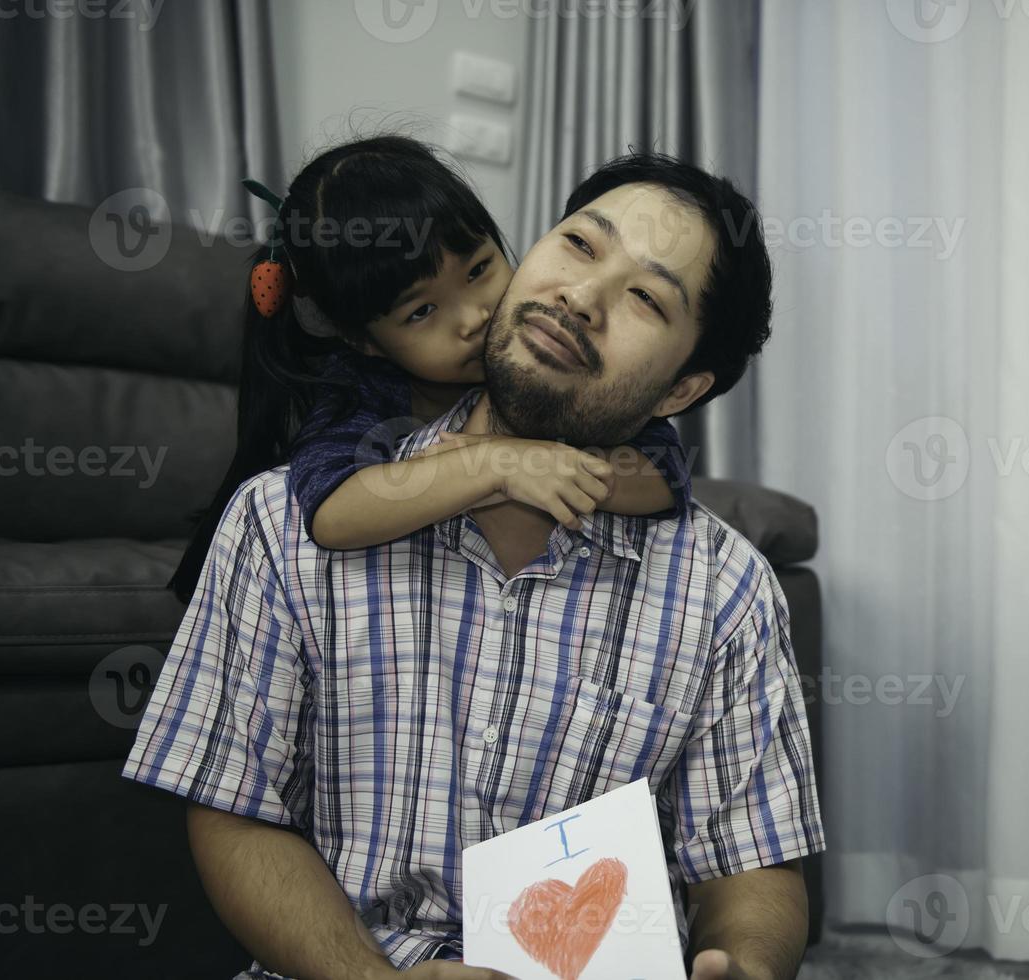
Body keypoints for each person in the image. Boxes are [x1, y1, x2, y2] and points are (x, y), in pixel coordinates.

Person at [125, 151, 824, 980]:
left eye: (644, 296)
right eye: (579, 245)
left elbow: (751, 862)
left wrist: (744, 962)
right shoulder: (283, 520)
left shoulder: (724, 586)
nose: (581, 297)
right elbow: (236, 815)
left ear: (679, 390)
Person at [167, 134, 689, 605]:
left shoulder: (541, 363)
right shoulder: (364, 392)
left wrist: (553, 469)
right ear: (364, 341)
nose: (475, 317)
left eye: (480, 269)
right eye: (421, 312)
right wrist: (498, 466)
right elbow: (333, 515)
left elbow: (665, 472)